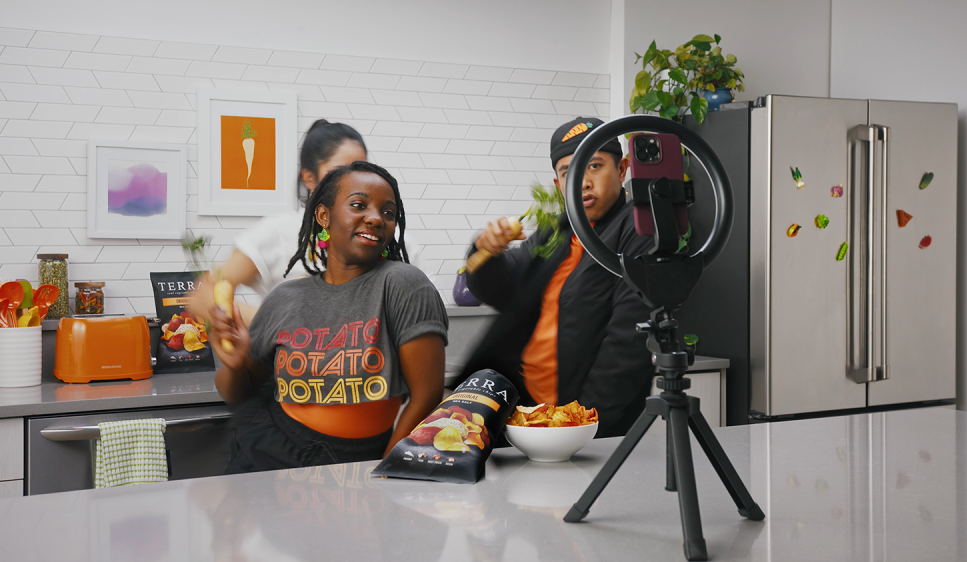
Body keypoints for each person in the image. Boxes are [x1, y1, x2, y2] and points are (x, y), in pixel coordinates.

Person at [209, 161, 448, 473]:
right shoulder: (284, 298)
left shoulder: (404, 285)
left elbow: (426, 396)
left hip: (360, 458)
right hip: (269, 448)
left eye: (388, 213)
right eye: (359, 205)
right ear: (323, 216)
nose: (376, 218)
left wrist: (385, 473)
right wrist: (236, 364)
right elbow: (236, 394)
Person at [461, 117, 656, 438]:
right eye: (569, 172)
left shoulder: (637, 230)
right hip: (527, 416)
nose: (582, 181)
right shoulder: (556, 230)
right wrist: (486, 253)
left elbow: (628, 344)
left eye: (594, 166)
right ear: (557, 184)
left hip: (582, 425)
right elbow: (503, 293)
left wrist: (580, 423)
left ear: (622, 170)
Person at [187, 120, 368, 322]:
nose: (355, 184)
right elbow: (202, 299)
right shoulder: (282, 231)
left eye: (363, 172)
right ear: (309, 178)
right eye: (338, 173)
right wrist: (276, 322)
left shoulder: (388, 234)